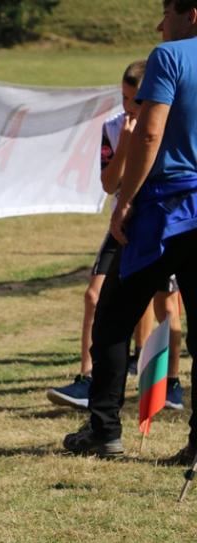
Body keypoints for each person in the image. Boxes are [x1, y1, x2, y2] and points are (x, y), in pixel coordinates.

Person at [62, 0, 197, 461]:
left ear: (191, 14)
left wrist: (124, 201)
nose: (160, 25)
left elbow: (149, 133)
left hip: (164, 212)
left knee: (113, 320)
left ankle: (104, 430)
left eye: (167, 14)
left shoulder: (170, 56)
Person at [46, 61, 185, 411]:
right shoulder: (112, 127)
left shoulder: (168, 125)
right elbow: (109, 184)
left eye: (135, 100)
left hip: (160, 223)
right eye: (123, 98)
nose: (128, 107)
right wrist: (124, 145)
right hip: (121, 226)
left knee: (165, 303)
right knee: (94, 296)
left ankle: (170, 383)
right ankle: (87, 378)